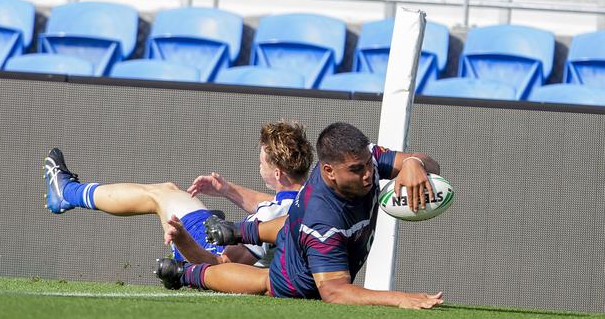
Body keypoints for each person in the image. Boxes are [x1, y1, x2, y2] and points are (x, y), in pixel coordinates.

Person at [156, 122, 444, 309]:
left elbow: (433, 166)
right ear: (329, 171)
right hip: (296, 267)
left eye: (369, 165)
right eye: (358, 169)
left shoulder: (363, 157)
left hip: (294, 224)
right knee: (270, 281)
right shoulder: (323, 220)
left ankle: (236, 231)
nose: (369, 175)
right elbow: (335, 292)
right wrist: (400, 299)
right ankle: (187, 273)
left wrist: (414, 164)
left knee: (289, 226)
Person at [43, 120, 313, 269]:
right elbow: (275, 205)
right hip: (254, 261)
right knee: (176, 195)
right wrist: (227, 190)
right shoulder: (310, 199)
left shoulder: (269, 217)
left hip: (207, 256)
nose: (259, 165)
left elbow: (220, 265)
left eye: (262, 161)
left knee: (163, 193)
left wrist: (184, 242)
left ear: (277, 173)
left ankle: (67, 192)